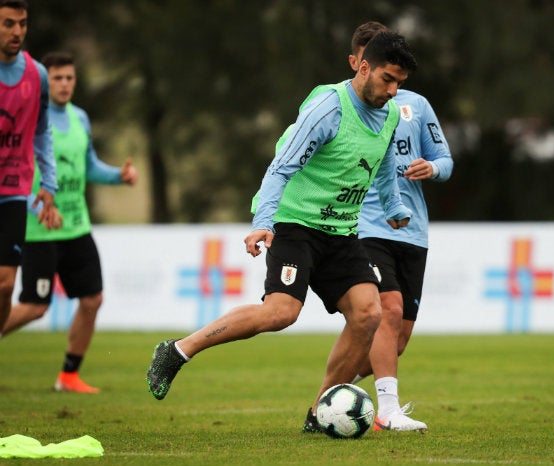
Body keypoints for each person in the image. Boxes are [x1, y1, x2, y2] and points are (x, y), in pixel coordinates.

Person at [146, 31, 418, 425]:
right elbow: (281, 167)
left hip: (341, 233)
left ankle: (318, 412)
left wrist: (394, 206)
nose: (393, 91)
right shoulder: (328, 109)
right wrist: (263, 223)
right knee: (280, 312)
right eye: (387, 79)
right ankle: (178, 350)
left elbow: (383, 164)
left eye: (400, 83)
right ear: (363, 67)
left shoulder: (391, 114)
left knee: (367, 314)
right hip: (295, 224)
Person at [0, 51, 138, 393]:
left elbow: (89, 166)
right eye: (57, 78)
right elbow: (16, 171)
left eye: (69, 78)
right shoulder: (31, 117)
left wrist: (119, 176)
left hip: (76, 226)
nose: (63, 84)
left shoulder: (80, 118)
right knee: (34, 306)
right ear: (46, 81)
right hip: (39, 229)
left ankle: (69, 376)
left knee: (92, 300)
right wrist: (38, 208)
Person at [352, 22, 453, 432]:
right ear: (359, 62)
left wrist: (432, 168)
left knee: (398, 337)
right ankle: (388, 412)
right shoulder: (341, 105)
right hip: (365, 225)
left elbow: (446, 160)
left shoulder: (415, 105)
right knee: (387, 310)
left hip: (412, 230)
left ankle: (332, 394)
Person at [0, 0, 61, 333]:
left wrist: (48, 184)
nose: (17, 32)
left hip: (12, 190)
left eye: (22, 24)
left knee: (6, 286)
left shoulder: (36, 74)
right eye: (8, 23)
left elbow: (42, 131)